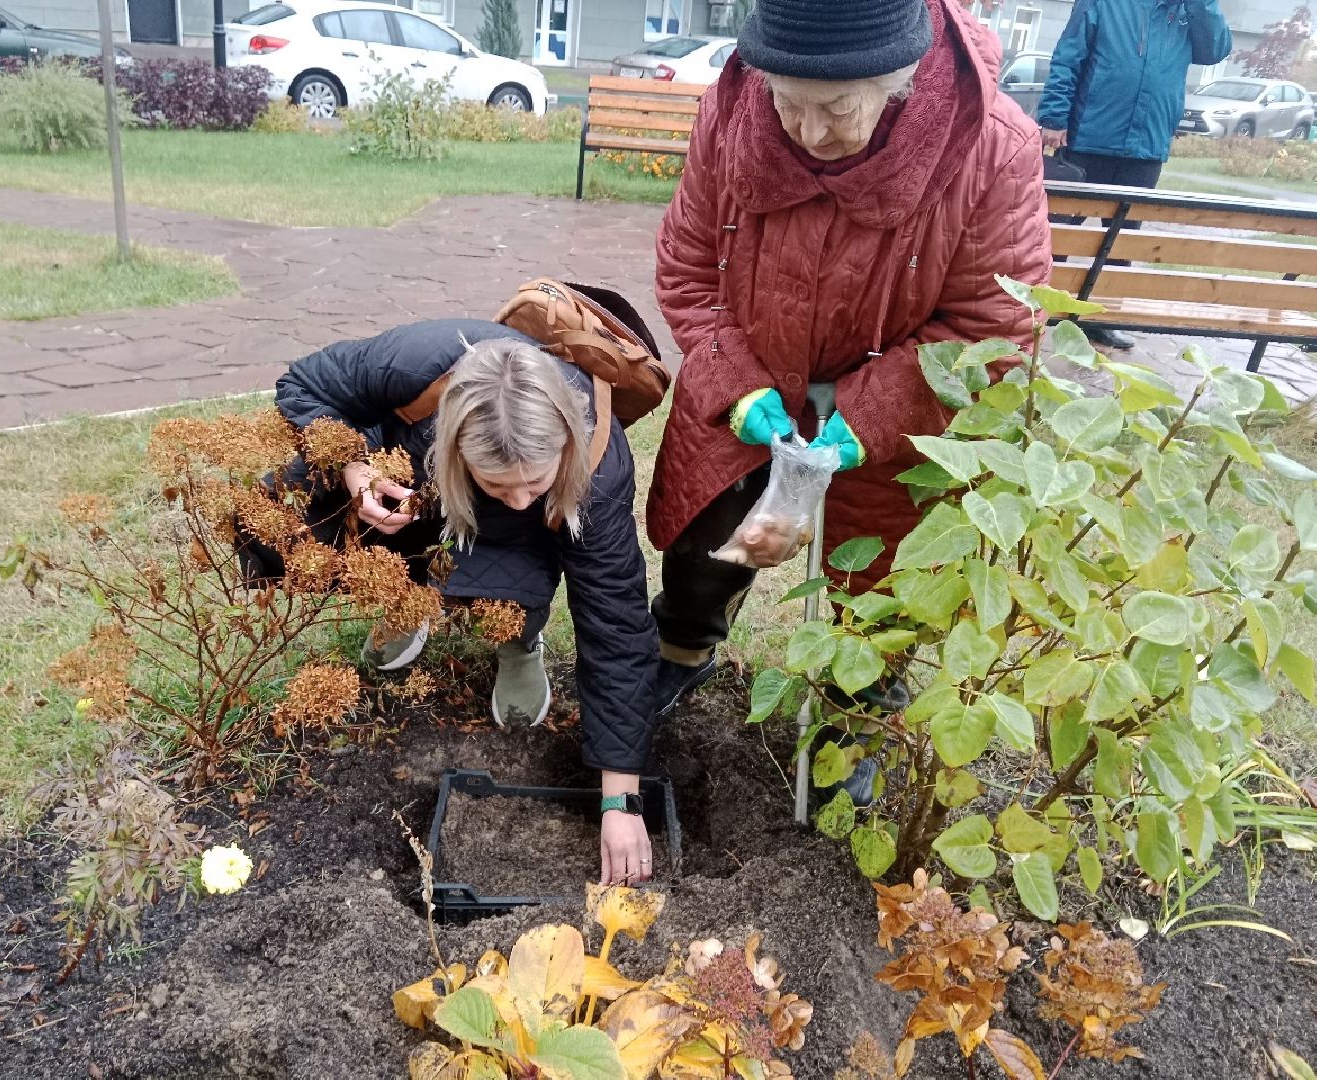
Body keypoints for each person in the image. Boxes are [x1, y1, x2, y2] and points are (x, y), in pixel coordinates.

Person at [645, 0, 1052, 800]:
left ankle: (859, 706)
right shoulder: (731, 113)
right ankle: (684, 649)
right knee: (705, 543)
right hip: (755, 372)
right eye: (787, 104)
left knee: (882, 581)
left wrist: (860, 423)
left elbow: (990, 326)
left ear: (901, 83)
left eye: (837, 108)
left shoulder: (992, 147)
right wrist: (738, 387)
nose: (809, 132)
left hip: (894, 415)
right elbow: (690, 268)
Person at [246, 320, 660, 885]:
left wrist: (621, 802)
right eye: (499, 484)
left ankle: (519, 641)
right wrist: (352, 467)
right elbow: (303, 386)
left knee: (506, 582)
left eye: (533, 484)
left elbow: (613, 624)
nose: (518, 498)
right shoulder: (416, 362)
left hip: (521, 540)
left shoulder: (598, 468)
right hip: (414, 488)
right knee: (277, 532)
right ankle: (406, 599)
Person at [1037, 0, 1232, 350]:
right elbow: (1068, 57)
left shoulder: (1190, 10)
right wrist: (1054, 117)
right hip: (1088, 139)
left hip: (1145, 147)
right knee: (1056, 235)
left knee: (1121, 241)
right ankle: (1031, 313)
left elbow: (1215, 50)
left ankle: (1099, 320)